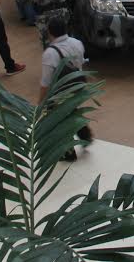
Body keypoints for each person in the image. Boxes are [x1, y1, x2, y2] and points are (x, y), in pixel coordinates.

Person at [40, 17, 93, 161]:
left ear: (50, 33)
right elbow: (80, 63)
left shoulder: (49, 54)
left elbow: (45, 82)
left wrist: (41, 103)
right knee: (72, 112)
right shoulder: (77, 43)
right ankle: (85, 136)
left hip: (60, 92)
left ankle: (68, 153)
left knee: (59, 121)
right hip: (77, 87)